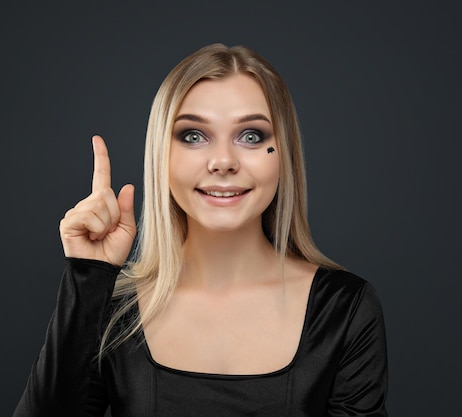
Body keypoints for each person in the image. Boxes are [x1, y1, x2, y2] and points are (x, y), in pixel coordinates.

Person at [13, 43, 388, 417]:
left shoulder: (346, 310)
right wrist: (86, 278)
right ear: (163, 154)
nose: (223, 161)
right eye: (193, 136)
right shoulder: (111, 310)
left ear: (284, 154)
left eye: (252, 136)